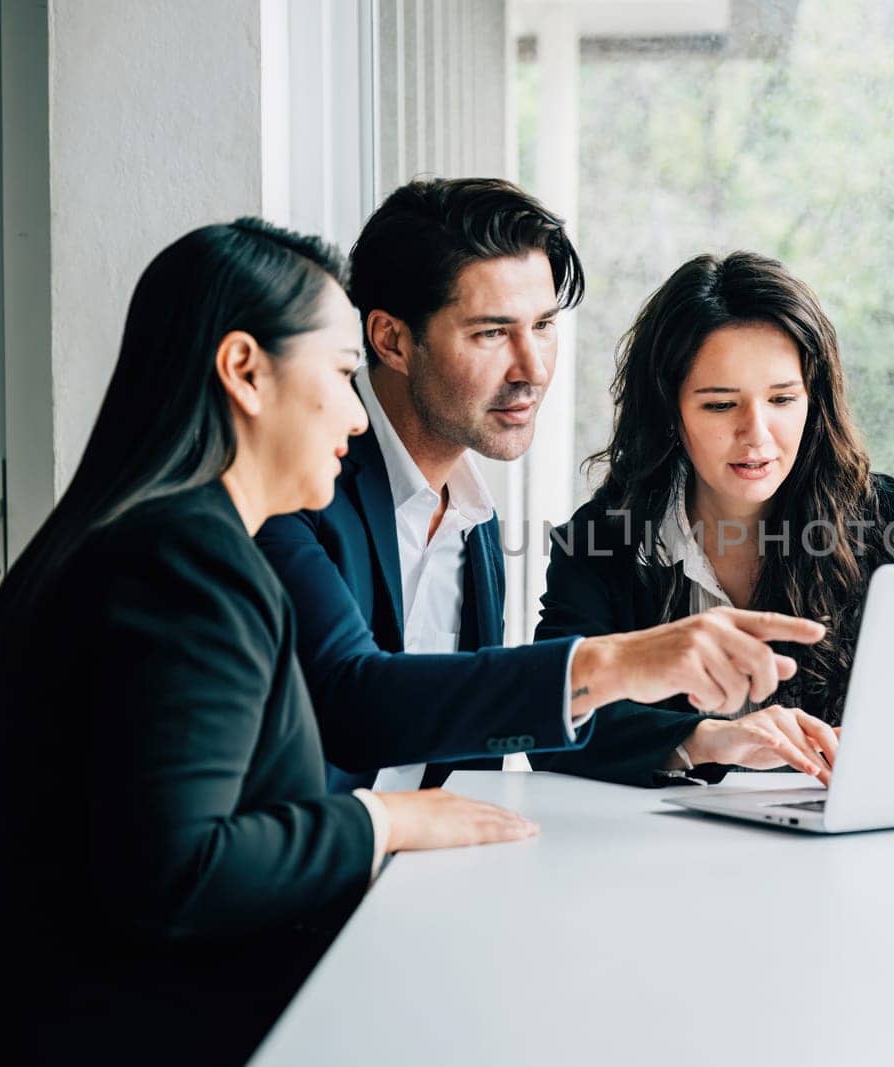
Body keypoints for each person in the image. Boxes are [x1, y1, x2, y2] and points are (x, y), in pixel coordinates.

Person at [0, 220, 545, 1062]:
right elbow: (178, 870)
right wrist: (385, 819)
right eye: (340, 375)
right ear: (245, 371)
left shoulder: (160, 537)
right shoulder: (180, 561)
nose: (359, 420)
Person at [255, 179, 827, 794]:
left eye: (545, 325)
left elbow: (469, 749)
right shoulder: (294, 485)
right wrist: (622, 664)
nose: (533, 369)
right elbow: (350, 701)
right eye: (492, 333)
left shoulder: (471, 518)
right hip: (310, 873)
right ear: (392, 340)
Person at [535, 251, 894, 785]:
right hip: (658, 848)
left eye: (781, 399)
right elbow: (549, 721)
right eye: (720, 405)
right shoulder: (602, 538)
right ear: (670, 410)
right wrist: (708, 740)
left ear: (813, 401)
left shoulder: (889, 522)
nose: (757, 434)